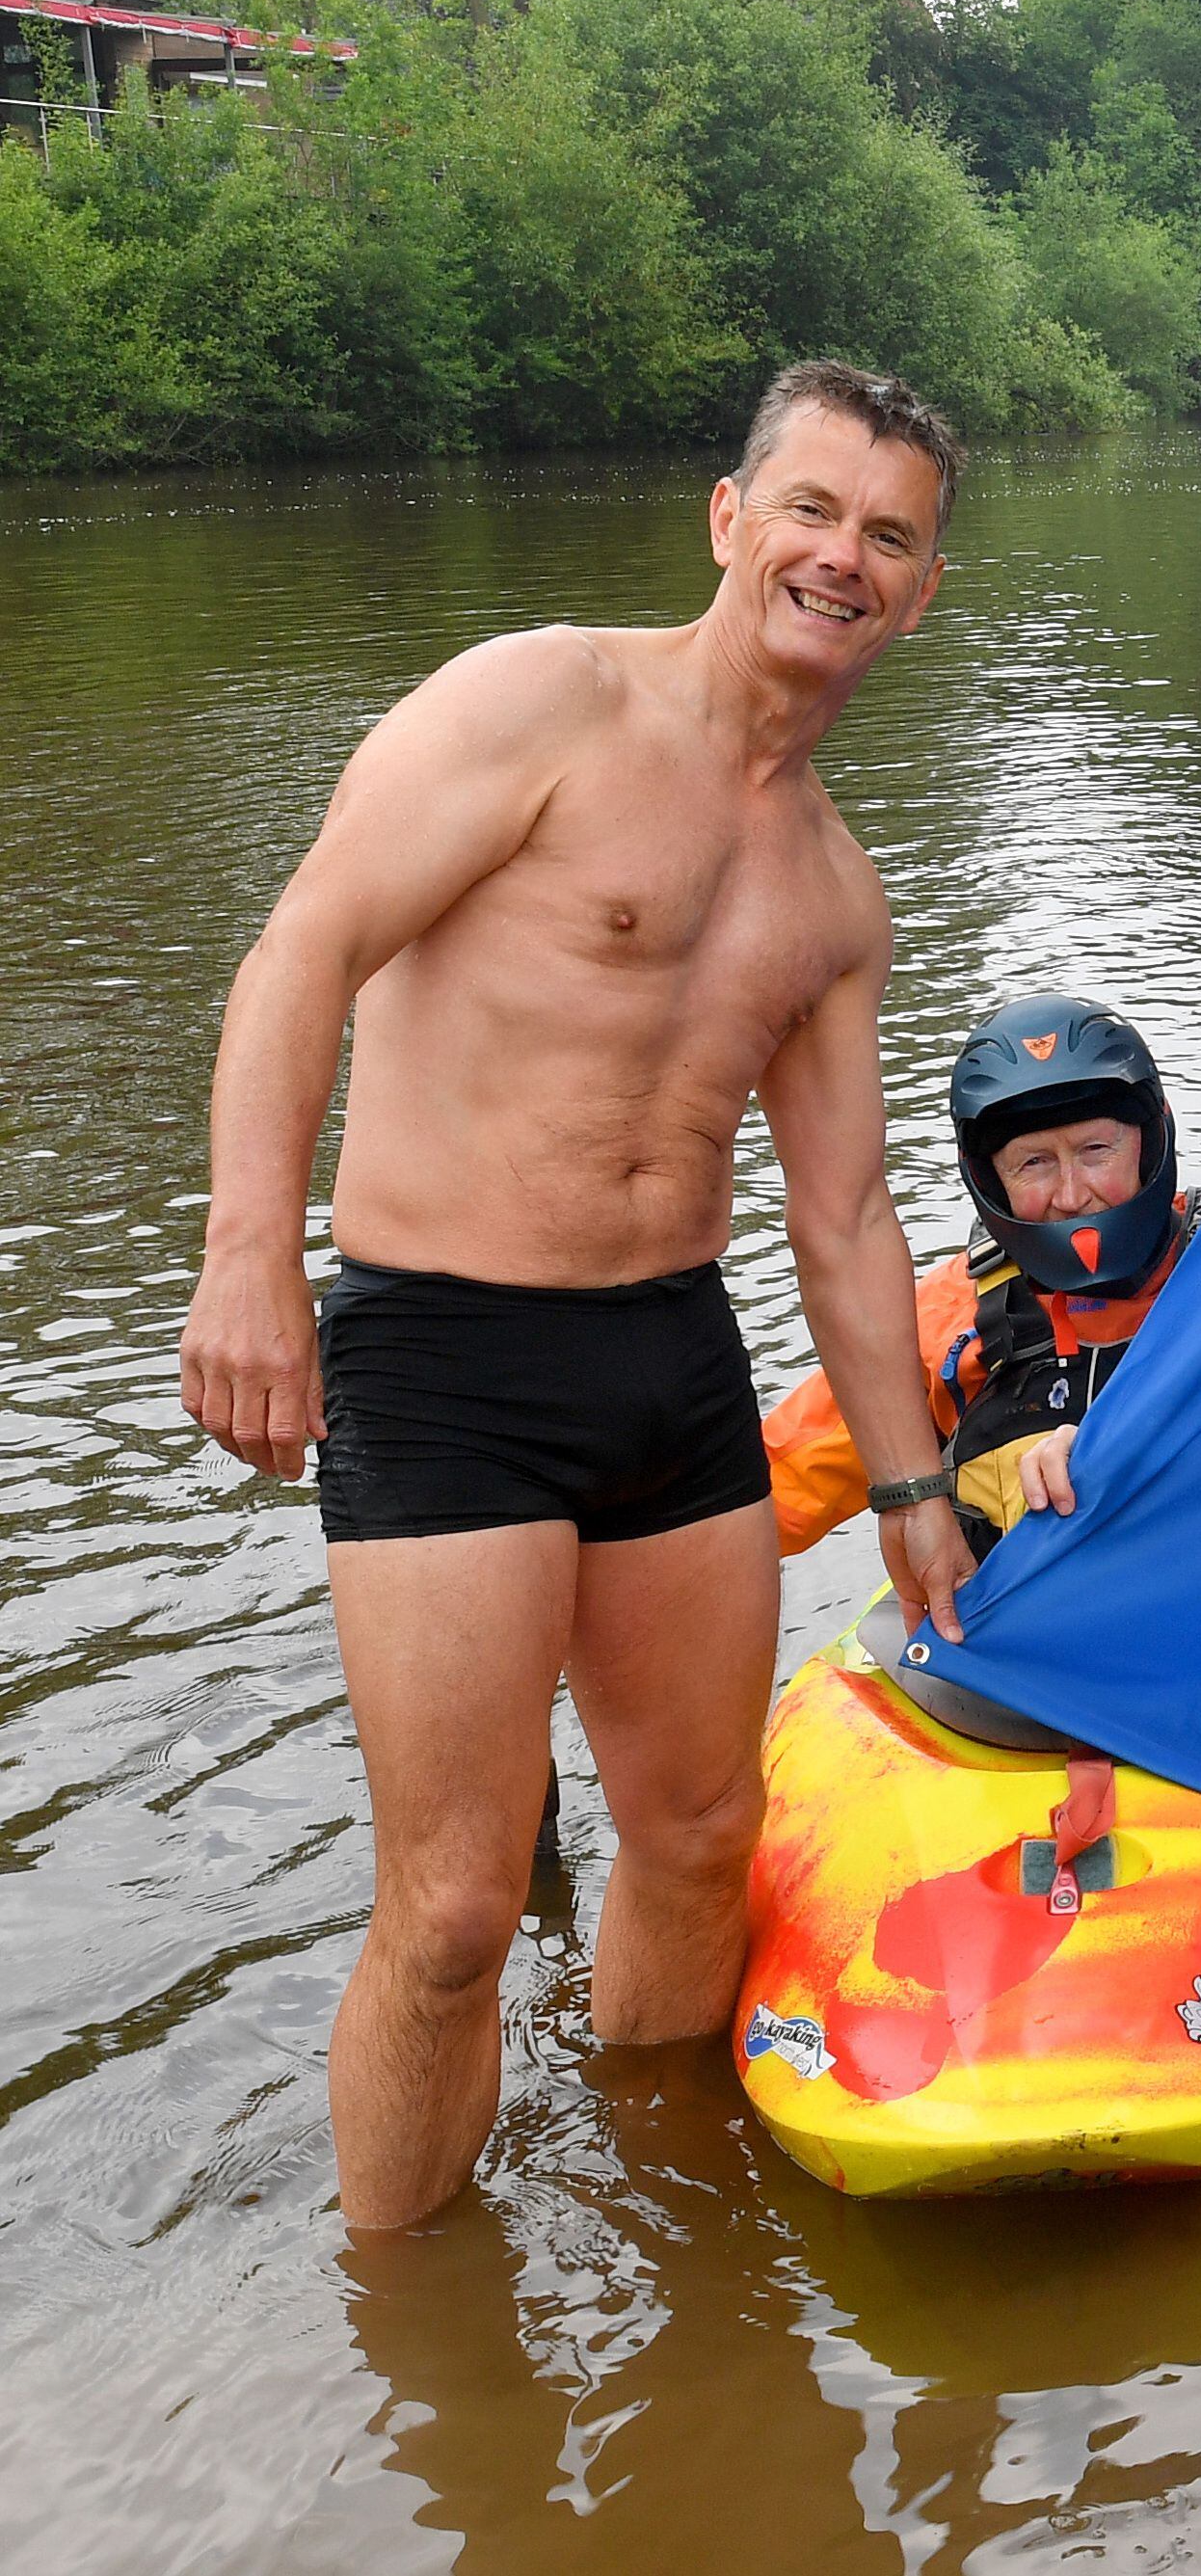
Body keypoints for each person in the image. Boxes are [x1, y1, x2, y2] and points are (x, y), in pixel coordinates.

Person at [175, 361, 988, 2230]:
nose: (840, 557)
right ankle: (407, 2307)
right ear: (730, 517)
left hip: (669, 1362)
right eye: (811, 509)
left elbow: (848, 1211)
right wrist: (248, 1256)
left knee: (702, 1838)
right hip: (444, 1341)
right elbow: (306, 944)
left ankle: (648, 2209)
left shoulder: (834, 885)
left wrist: (911, 1480)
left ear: (924, 589)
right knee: (456, 1906)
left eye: (887, 534)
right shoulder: (541, 698)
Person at [763, 994, 1200, 1750]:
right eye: (1034, 1162)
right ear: (990, 1181)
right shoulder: (945, 1319)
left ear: (1149, 1140)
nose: (1072, 1195)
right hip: (1006, 1690)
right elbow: (765, 1490)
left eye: (1097, 1150)